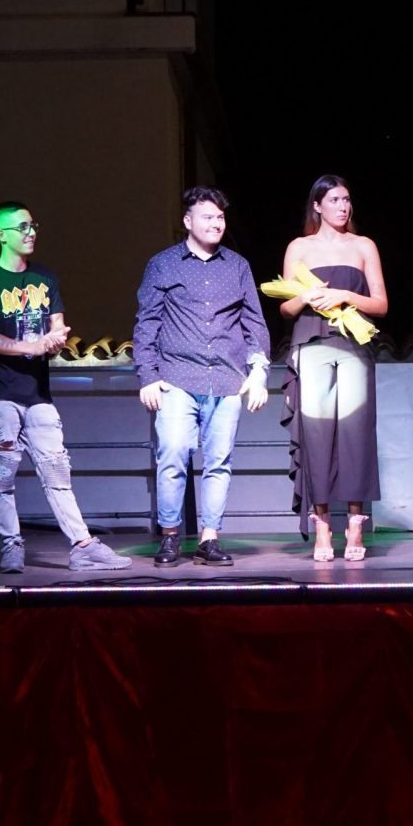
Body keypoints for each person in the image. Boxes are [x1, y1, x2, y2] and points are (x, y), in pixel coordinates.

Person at [0, 201, 131, 574]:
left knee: (56, 471)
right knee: (2, 476)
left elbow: (57, 325)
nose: (31, 232)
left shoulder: (45, 278)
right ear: (1, 234)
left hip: (37, 392)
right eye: (22, 227)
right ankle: (11, 545)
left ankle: (83, 546)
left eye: (32, 225)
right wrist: (33, 346)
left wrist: (55, 340)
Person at [134, 187, 272, 568]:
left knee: (219, 461)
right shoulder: (163, 264)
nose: (216, 223)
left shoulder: (238, 266)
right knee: (173, 452)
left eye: (220, 217)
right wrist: (147, 375)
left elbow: (254, 324)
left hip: (226, 379)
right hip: (177, 376)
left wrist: (259, 372)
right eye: (208, 216)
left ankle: (209, 539)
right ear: (188, 221)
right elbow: (147, 323)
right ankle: (170, 535)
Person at [278, 174, 388, 561]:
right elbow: (285, 307)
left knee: (356, 433)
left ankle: (355, 525)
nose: (343, 206)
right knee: (317, 435)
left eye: (347, 199)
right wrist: (306, 297)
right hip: (311, 342)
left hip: (353, 344)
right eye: (335, 200)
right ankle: (322, 525)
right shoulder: (299, 247)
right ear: (317, 206)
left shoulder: (363, 245)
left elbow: (381, 304)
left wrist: (344, 295)